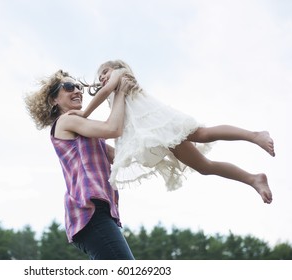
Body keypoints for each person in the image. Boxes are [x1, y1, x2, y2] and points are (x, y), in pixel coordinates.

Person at [70, 59, 275, 204]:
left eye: (104, 72)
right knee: (204, 167)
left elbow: (106, 90)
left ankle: (255, 135)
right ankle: (253, 179)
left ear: (116, 69)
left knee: (203, 134)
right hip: (155, 134)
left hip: (160, 123)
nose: (103, 78)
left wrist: (85, 114)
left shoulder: (119, 75)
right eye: (100, 76)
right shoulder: (114, 96)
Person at [24, 69, 135, 259]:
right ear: (54, 100)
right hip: (90, 212)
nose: (76, 90)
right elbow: (112, 128)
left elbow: (123, 157)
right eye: (68, 87)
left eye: (78, 86)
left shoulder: (90, 135)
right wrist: (120, 90)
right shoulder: (66, 121)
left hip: (100, 213)